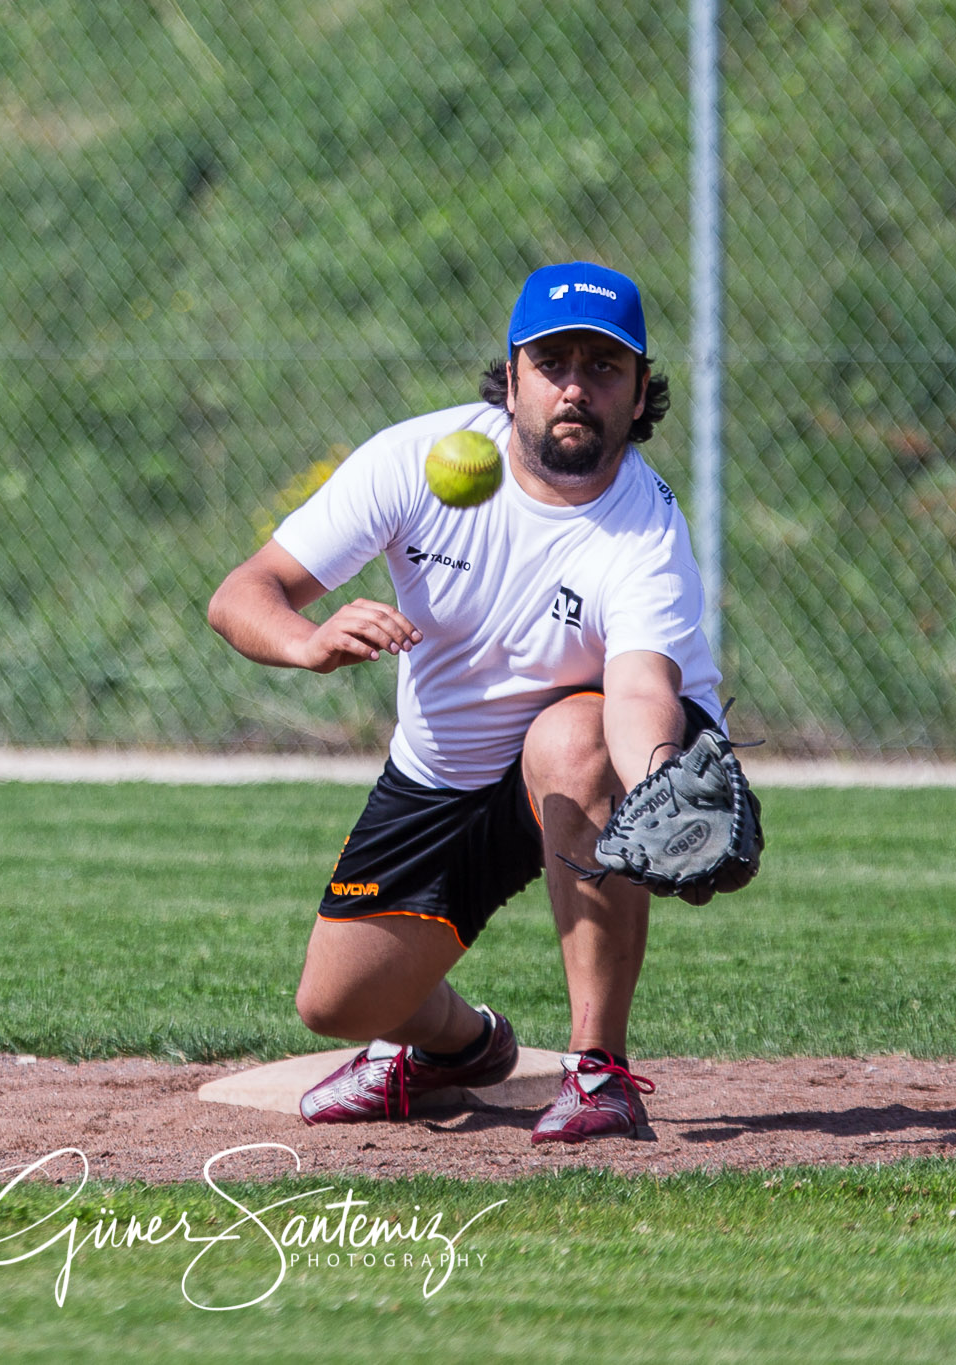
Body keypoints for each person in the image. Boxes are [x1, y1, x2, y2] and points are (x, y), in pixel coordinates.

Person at [206, 262, 725, 1144]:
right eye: (552, 361)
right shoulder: (417, 460)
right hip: (449, 770)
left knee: (570, 737)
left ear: (640, 396)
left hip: (607, 748)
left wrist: (664, 790)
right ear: (511, 375)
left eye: (603, 368)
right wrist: (308, 640)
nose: (575, 386)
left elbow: (639, 689)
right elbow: (244, 593)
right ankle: (461, 1048)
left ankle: (599, 1070)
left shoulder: (643, 531)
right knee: (337, 1002)